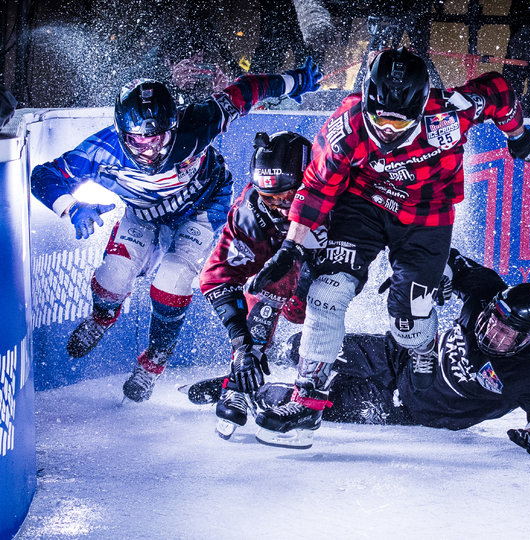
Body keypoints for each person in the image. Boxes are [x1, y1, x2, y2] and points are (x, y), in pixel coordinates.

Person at [244, 47, 530, 442]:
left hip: (426, 216)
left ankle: (420, 349)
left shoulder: (452, 114)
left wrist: (518, 136)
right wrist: (291, 248)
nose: (387, 131)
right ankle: (308, 400)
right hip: (364, 204)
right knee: (327, 289)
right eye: (380, 118)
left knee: (407, 321)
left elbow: (499, 91)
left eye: (399, 120)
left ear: (423, 106)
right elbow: (317, 188)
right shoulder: (347, 122)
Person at [29, 60, 322, 403]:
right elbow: (43, 175)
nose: (150, 151)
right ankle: (102, 315)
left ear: (176, 123)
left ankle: (153, 362)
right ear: (121, 134)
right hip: (142, 214)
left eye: (159, 138)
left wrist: (294, 81)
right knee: (113, 277)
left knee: (173, 277)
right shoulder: (101, 150)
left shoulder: (198, 122)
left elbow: (245, 92)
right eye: (138, 142)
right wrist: (71, 206)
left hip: (201, 208)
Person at [185, 248, 530, 452]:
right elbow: (447, 258)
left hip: (410, 408)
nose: (497, 336)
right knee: (303, 346)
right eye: (496, 322)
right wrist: (436, 281)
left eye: (510, 336)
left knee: (318, 403)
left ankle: (259, 392)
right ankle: (244, 376)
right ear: (492, 305)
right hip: (398, 355)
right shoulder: (489, 288)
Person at [198, 130, 327, 439]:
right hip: (281, 278)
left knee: (318, 300)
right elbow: (218, 278)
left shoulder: (336, 193)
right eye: (270, 197)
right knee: (267, 283)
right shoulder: (248, 212)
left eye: (289, 196)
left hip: (324, 270)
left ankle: (309, 379)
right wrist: (242, 346)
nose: (280, 206)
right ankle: (241, 375)